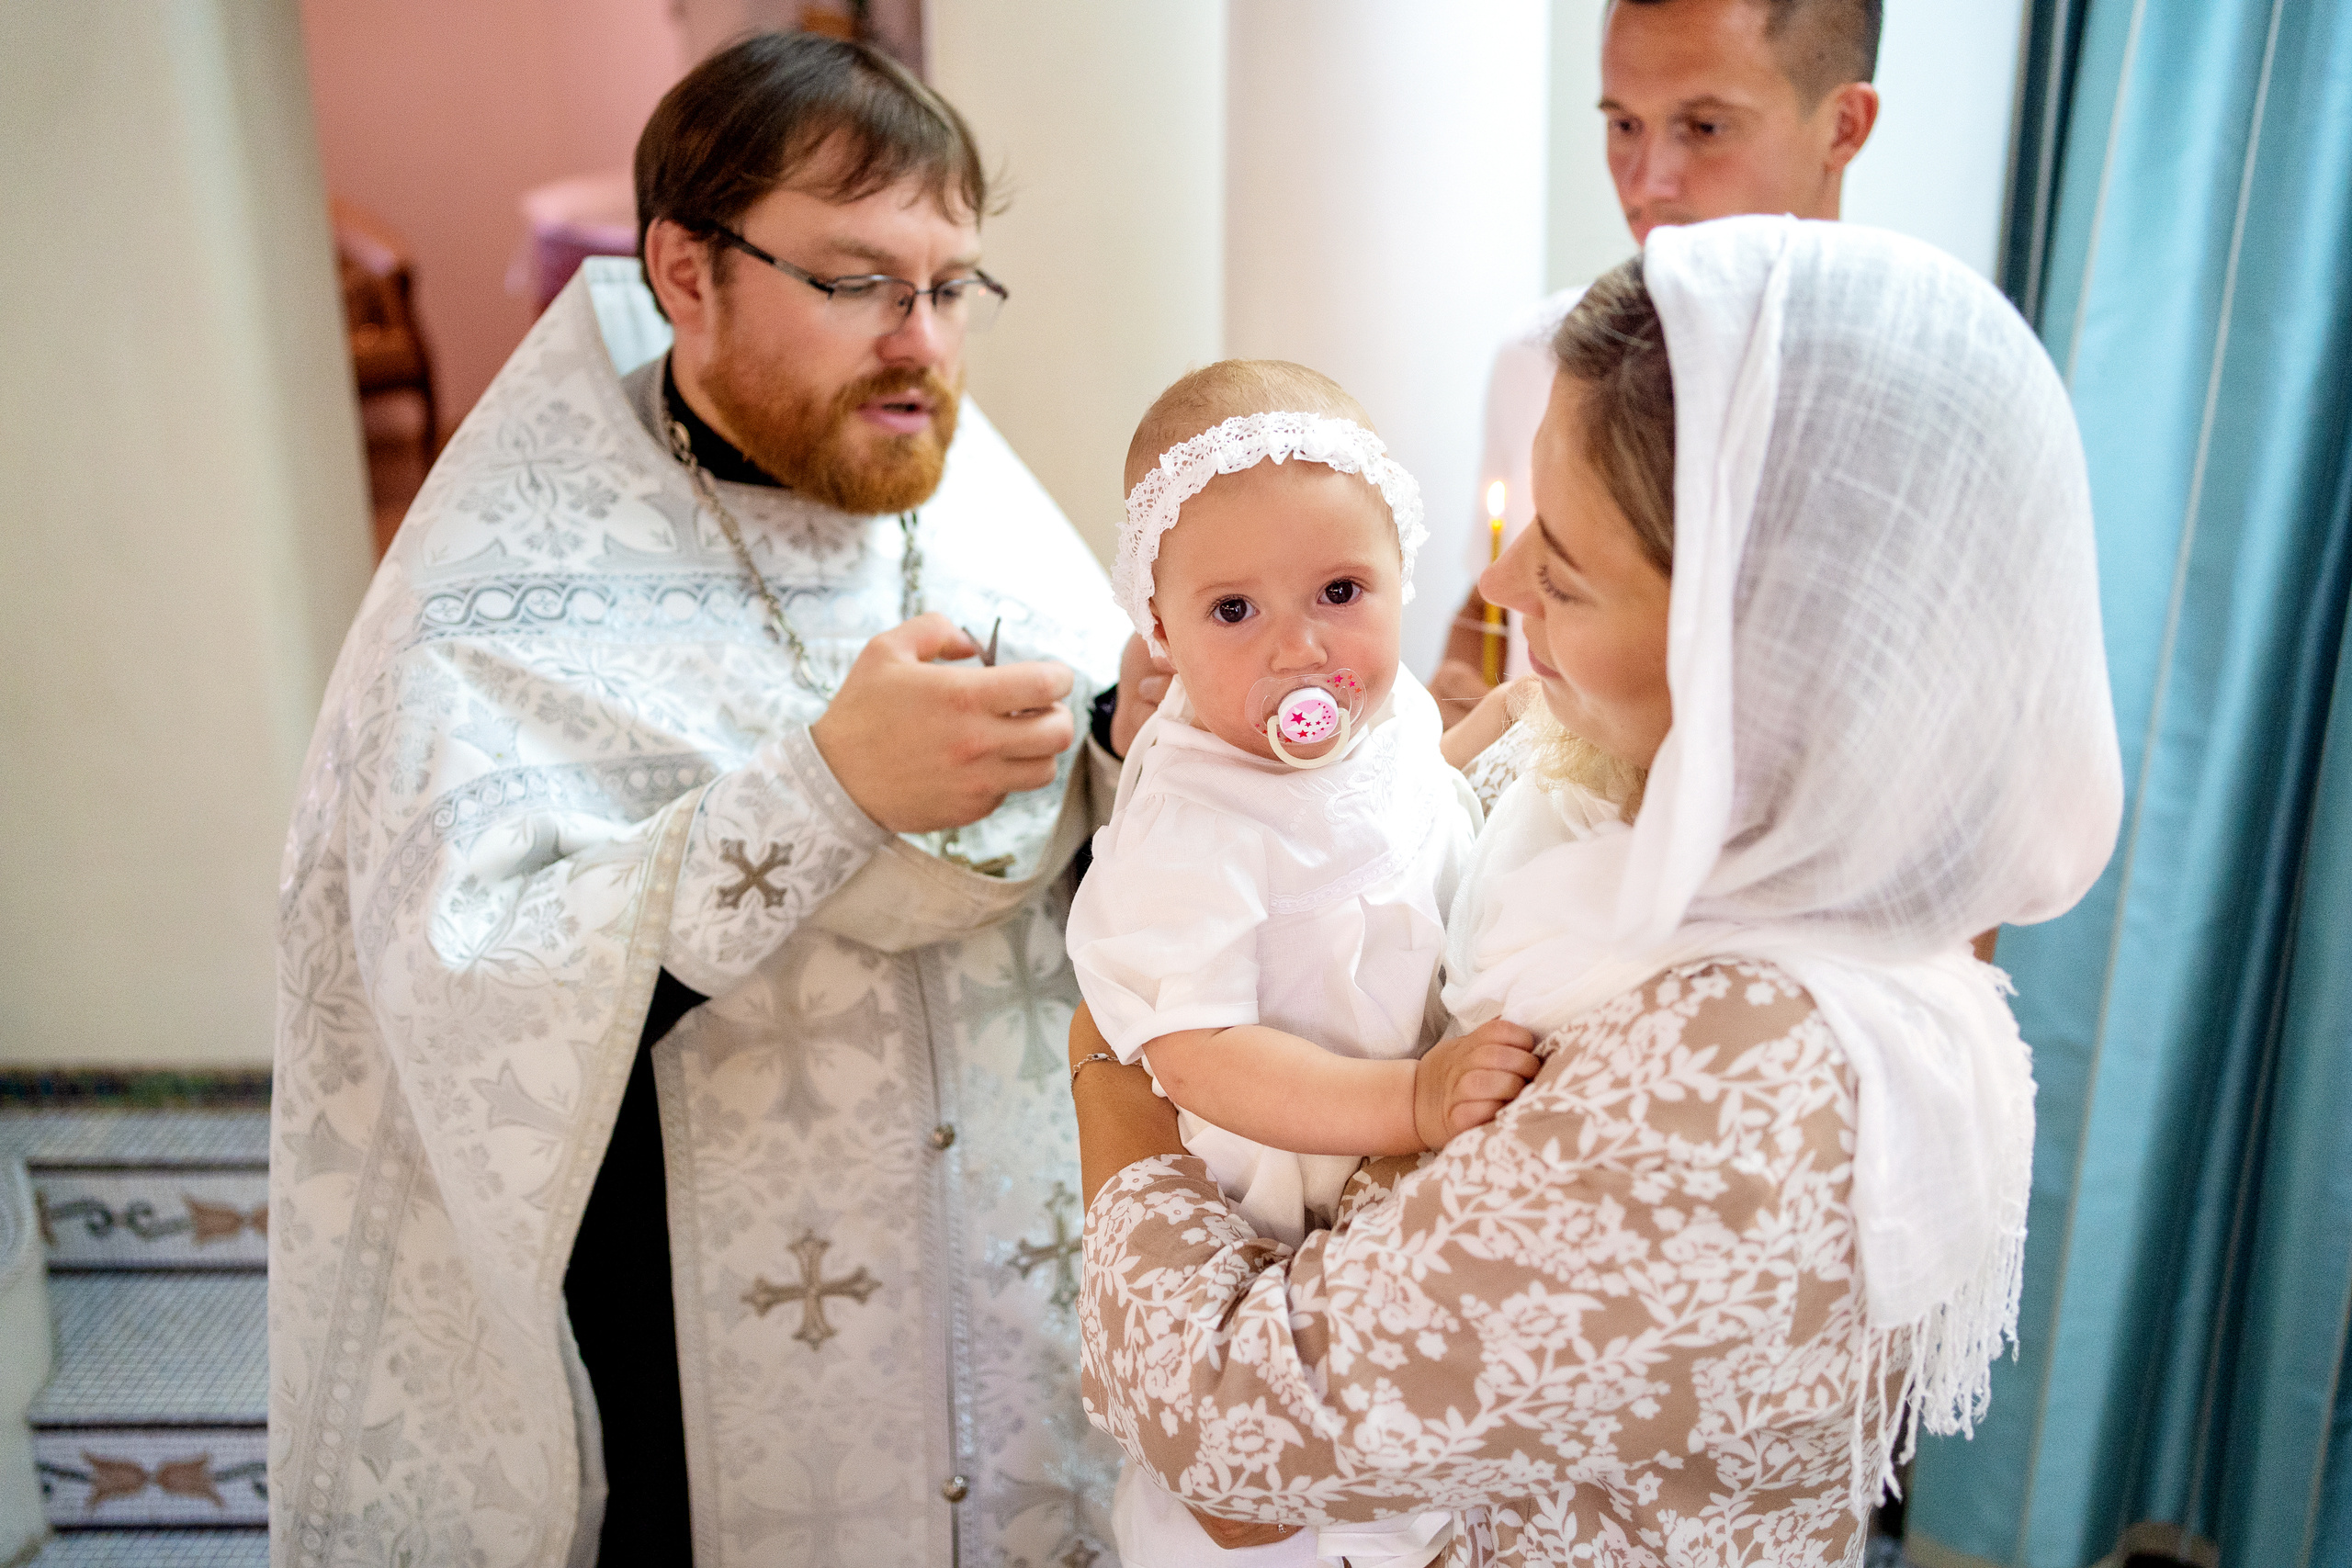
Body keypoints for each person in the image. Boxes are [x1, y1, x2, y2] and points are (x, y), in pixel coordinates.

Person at [1070, 217, 2123, 1562]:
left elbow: (1240, 1452)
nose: (1497, 579)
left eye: (1562, 566)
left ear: (1745, 634)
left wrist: (1106, 1066)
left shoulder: (1737, 1069)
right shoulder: (1633, 792)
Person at [271, 34, 1137, 1567]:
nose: (921, 343)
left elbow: (1102, 862)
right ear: (687, 270)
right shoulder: (494, 603)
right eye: (858, 281)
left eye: (951, 288)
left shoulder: (985, 525)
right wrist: (822, 793)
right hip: (686, 1352)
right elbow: (468, 995)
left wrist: (1139, 745)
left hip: (1006, 1306)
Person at [1066, 361, 1543, 1567]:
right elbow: (1197, 1052)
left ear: (1400, 573)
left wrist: (1509, 724)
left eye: (1340, 590)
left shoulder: (1384, 718)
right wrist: (1411, 1099)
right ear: (1159, 628)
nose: (1300, 647)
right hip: (1274, 1223)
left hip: (1397, 1212)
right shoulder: (1193, 819)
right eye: (1234, 611)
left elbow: (1408, 813)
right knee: (1278, 1519)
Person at [1432, 0, 1880, 714]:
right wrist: (1454, 702)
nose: (1645, 184)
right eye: (1623, 126)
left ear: (1843, 126)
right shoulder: (1543, 351)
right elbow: (1496, 599)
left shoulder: (1898, 414)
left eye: (1704, 128)